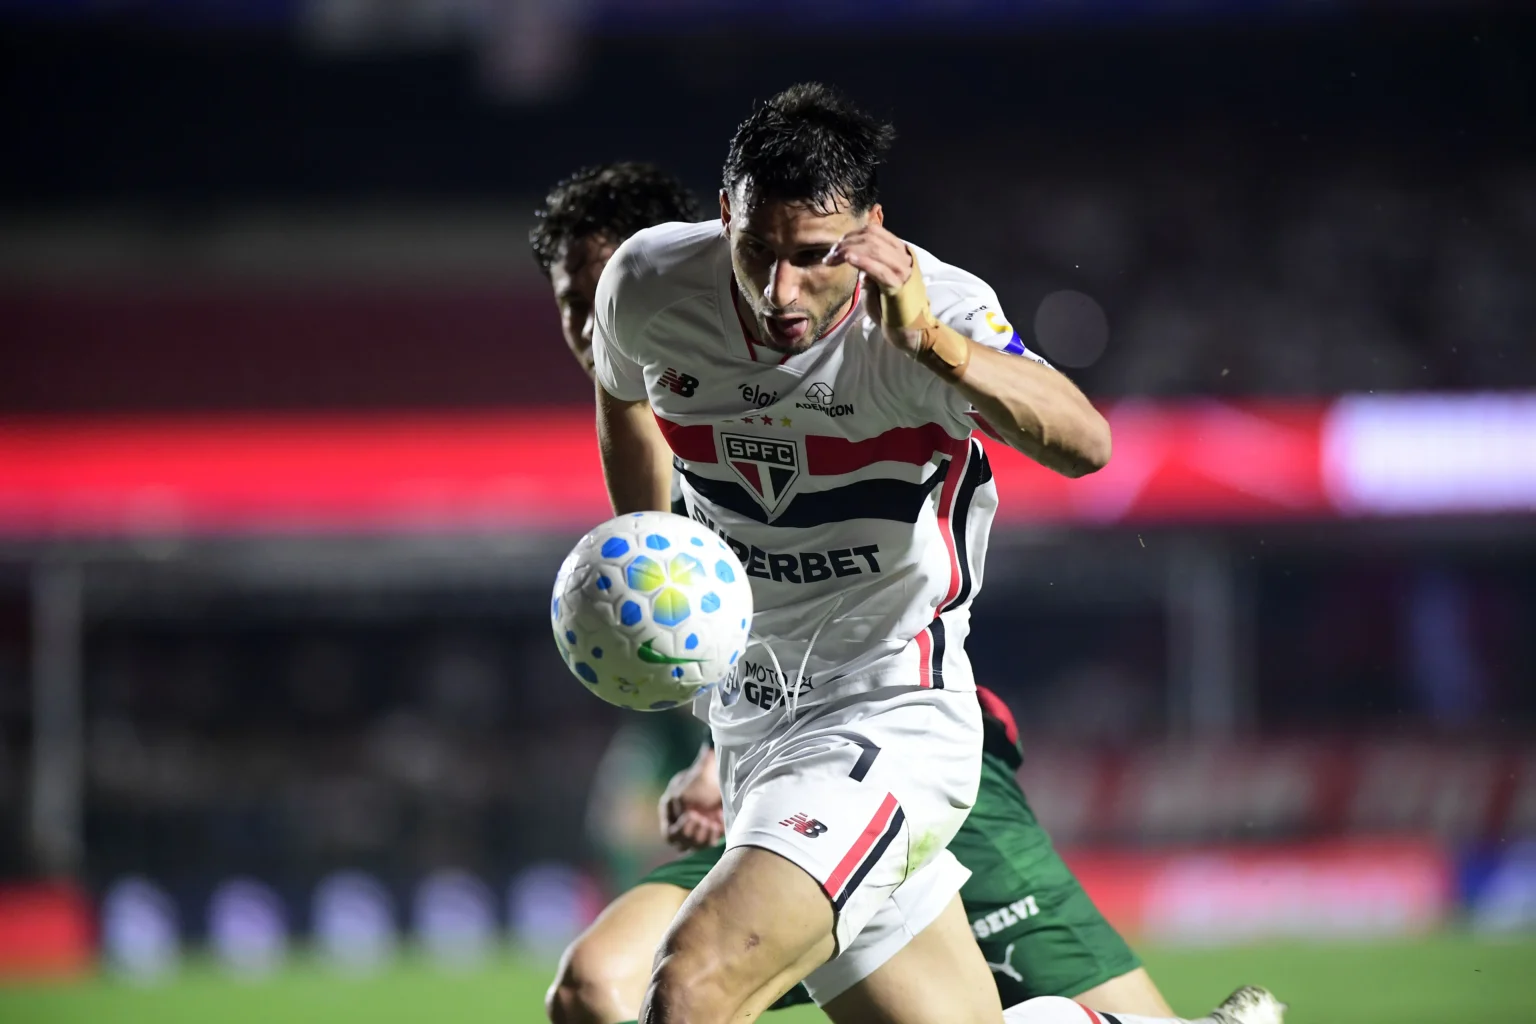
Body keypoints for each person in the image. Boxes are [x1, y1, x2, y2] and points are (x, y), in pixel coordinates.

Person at [538, 92, 1278, 1024]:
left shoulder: (941, 311)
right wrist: (653, 556)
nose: (780, 293)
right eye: (757, 251)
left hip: (890, 715)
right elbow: (621, 397)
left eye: (813, 258)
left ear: (870, 232)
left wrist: (929, 341)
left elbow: (1086, 443)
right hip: (755, 730)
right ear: (723, 215)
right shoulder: (648, 281)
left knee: (688, 987)